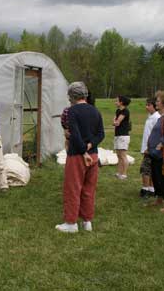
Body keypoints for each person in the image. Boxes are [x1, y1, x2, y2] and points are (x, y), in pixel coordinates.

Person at [56, 82, 104, 233]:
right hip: (94, 154)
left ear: (72, 96)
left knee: (73, 188)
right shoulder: (95, 111)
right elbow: (101, 134)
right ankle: (87, 221)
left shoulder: (72, 111)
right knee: (89, 189)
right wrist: (90, 145)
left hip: (77, 155)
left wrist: (83, 151)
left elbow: (75, 134)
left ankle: (71, 223)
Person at [139, 97, 160, 198]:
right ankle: (152, 189)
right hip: (148, 147)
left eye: (148, 105)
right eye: (146, 105)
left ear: (154, 106)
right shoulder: (150, 116)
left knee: (145, 169)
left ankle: (145, 189)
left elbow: (156, 135)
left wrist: (149, 147)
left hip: (151, 148)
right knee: (151, 169)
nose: (146, 107)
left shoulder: (156, 118)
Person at [113, 95, 131, 180]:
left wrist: (115, 121)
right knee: (118, 155)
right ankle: (119, 173)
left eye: (116, 101)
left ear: (121, 102)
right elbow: (115, 121)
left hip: (123, 136)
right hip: (117, 135)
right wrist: (115, 121)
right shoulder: (118, 111)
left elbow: (117, 122)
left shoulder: (125, 111)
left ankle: (124, 174)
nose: (115, 102)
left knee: (123, 155)